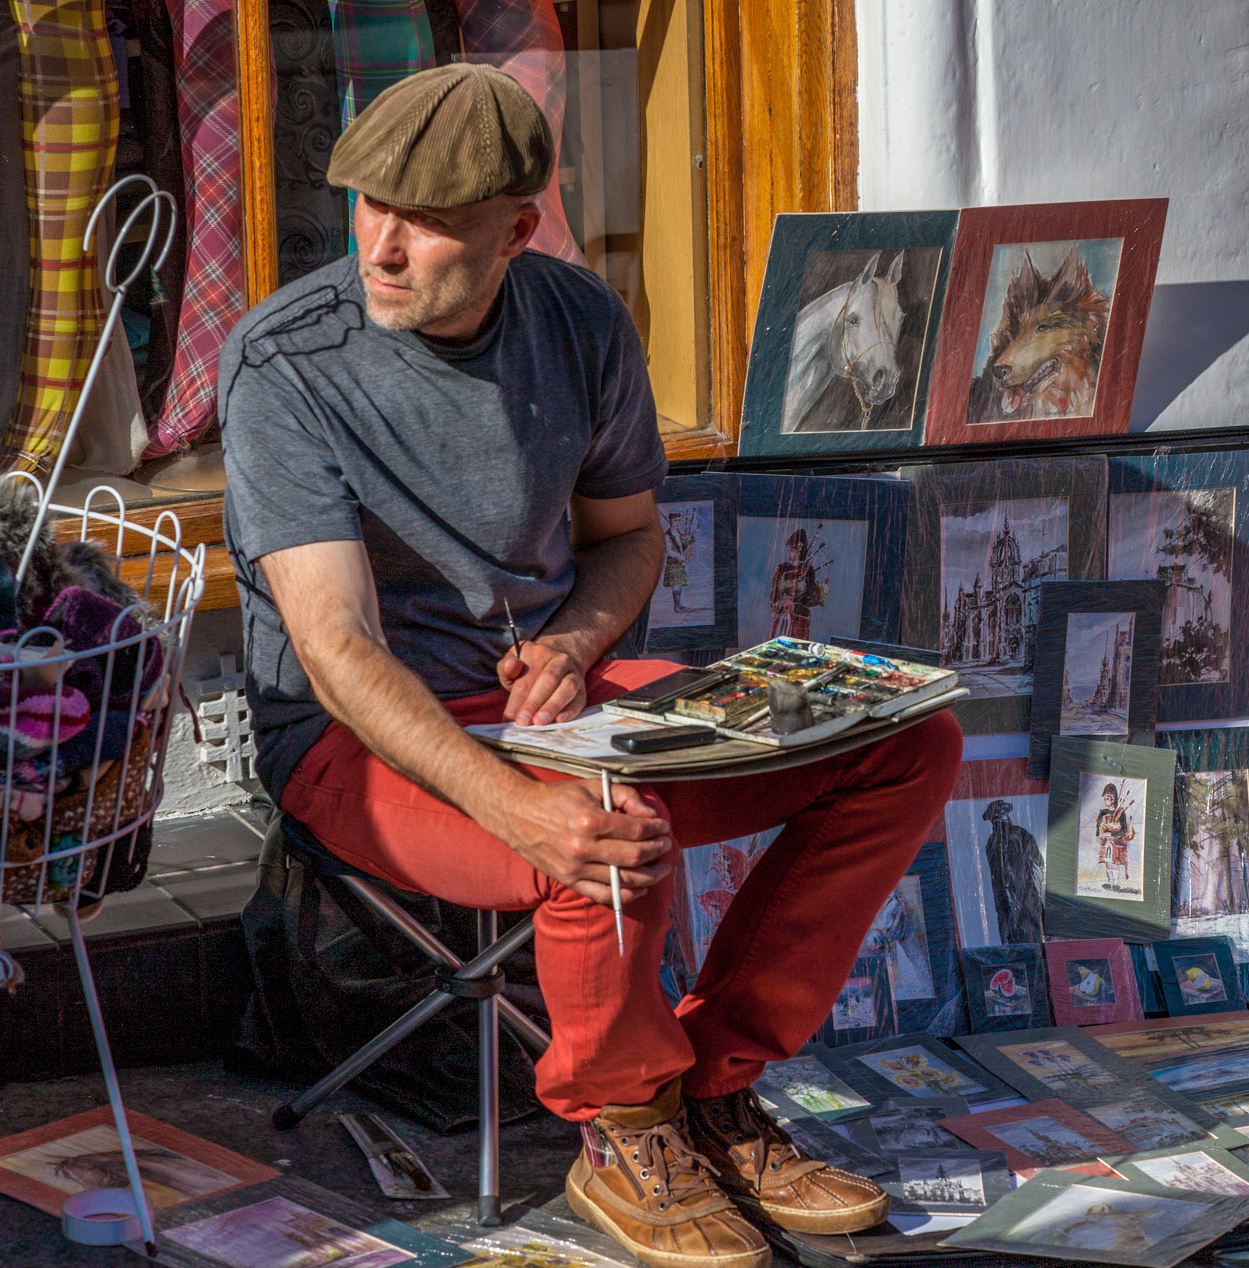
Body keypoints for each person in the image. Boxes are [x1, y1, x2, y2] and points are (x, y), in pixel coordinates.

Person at [219, 63, 962, 1268]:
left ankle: (715, 1086)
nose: (383, 248)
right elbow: (337, 648)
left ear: (516, 230)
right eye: (369, 206)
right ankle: (624, 1128)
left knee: (907, 742)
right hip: (349, 739)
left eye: (428, 221)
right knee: (601, 823)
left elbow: (625, 539)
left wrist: (572, 641)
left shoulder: (578, 319)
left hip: (543, 704)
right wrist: (518, 806)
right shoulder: (285, 362)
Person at [767, 528, 823, 638]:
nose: (788, 553)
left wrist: (793, 601)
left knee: (797, 643)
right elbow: (774, 592)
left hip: (800, 617)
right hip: (782, 615)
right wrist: (777, 603)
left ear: (799, 550)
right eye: (788, 549)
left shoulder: (808, 570)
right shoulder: (782, 569)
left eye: (792, 550)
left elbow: (810, 593)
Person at [1094, 783, 1135, 889]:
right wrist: (1099, 836)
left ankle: (1116, 882)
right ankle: (1110, 881)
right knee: (1107, 861)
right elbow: (1098, 827)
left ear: (1113, 799)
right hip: (1105, 841)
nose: (1106, 801)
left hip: (1116, 841)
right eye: (1104, 798)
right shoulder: (1102, 813)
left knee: (1114, 862)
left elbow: (1123, 830)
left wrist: (1111, 834)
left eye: (1108, 798)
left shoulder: (1121, 813)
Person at [660, 509, 696, 613]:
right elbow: (669, 551)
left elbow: (684, 544)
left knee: (679, 584)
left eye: (679, 520)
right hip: (673, 562)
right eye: (675, 520)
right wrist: (681, 557)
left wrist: (689, 542)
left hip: (680, 563)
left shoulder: (679, 534)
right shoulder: (667, 535)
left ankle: (678, 605)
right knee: (675, 584)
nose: (678, 523)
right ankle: (676, 607)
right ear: (670, 521)